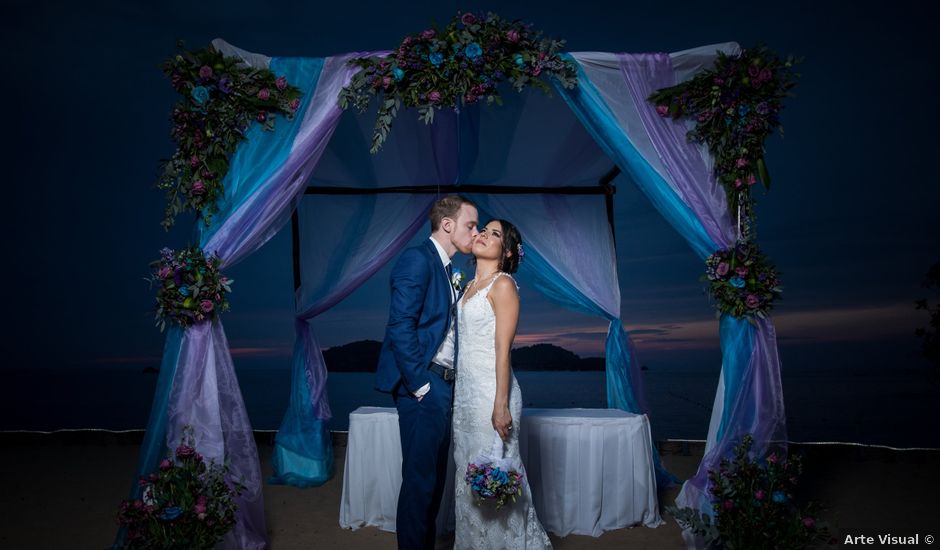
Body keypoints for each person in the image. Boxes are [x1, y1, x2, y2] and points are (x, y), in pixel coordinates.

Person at [375, 195, 479, 549]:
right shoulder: (417, 259)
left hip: (445, 386)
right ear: (447, 224)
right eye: (471, 224)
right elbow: (400, 325)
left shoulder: (449, 269)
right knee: (420, 482)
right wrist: (421, 385)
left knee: (432, 483)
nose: (475, 232)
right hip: (425, 385)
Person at [452, 219, 552, 549]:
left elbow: (502, 349)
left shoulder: (503, 285)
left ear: (506, 251)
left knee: (495, 479)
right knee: (469, 480)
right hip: (465, 397)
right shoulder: (466, 287)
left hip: (491, 395)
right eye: (483, 229)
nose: (482, 234)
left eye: (494, 234)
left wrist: (500, 404)